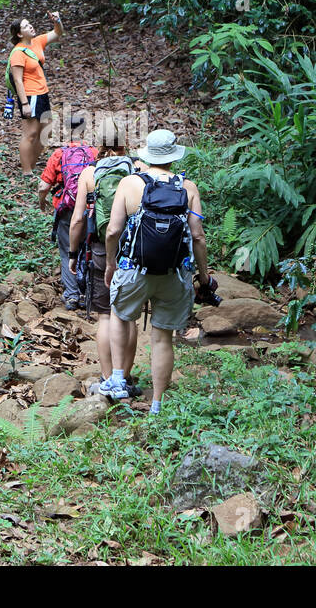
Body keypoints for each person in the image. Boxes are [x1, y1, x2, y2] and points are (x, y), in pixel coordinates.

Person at [99, 129, 208, 415]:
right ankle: (157, 404)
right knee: (163, 338)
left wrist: (111, 263)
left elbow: (113, 230)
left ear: (148, 153)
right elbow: (197, 237)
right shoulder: (189, 187)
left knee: (121, 317)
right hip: (174, 275)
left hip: (134, 270)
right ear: (174, 155)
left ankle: (118, 379)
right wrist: (204, 276)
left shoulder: (129, 183)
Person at [68, 124, 142, 392]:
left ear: (96, 143)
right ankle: (126, 377)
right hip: (133, 251)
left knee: (105, 317)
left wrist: (72, 254)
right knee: (129, 317)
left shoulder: (90, 173)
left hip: (99, 250)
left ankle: (107, 377)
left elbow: (77, 219)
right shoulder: (136, 169)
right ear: (124, 142)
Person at [37, 112, 99, 310]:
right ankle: (88, 294)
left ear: (66, 131)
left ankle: (72, 296)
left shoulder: (59, 154)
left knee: (67, 251)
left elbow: (43, 186)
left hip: (67, 210)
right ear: (85, 130)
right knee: (88, 249)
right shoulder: (94, 153)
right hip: (91, 210)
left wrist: (42, 202)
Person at [7, 12, 62, 174]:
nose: (30, 26)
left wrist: (57, 21)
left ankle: (31, 163)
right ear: (19, 34)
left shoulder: (37, 42)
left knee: (47, 130)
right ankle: (26, 171)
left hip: (42, 93)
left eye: (29, 23)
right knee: (30, 133)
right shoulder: (18, 52)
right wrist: (24, 104)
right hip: (30, 95)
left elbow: (58, 33)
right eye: (25, 26)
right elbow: (17, 80)